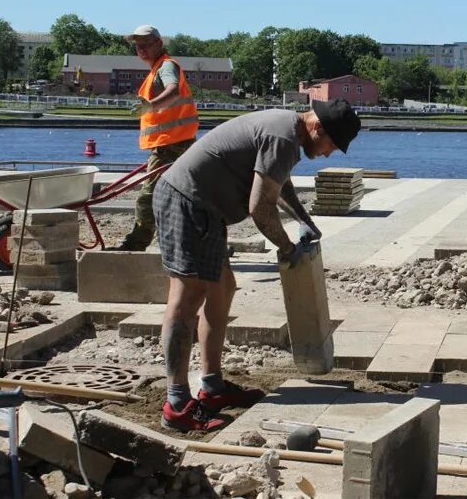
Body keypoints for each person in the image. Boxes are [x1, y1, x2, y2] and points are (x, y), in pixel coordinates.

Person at [153, 99, 360, 431]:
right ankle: (177, 403)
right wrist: (288, 247)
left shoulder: (287, 131)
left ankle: (212, 387)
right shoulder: (283, 138)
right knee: (187, 296)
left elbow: (279, 184)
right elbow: (260, 208)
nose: (328, 154)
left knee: (223, 288)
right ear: (317, 127)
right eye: (332, 145)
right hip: (187, 201)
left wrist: (304, 220)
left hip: (204, 207)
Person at [112, 25, 198, 251]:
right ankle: (201, 241)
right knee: (181, 196)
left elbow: (173, 90)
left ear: (159, 44)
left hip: (171, 144)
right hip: (173, 143)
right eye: (138, 46)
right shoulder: (157, 68)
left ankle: (136, 245)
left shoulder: (166, 67)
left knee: (148, 198)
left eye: (146, 44)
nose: (141, 49)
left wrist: (151, 106)